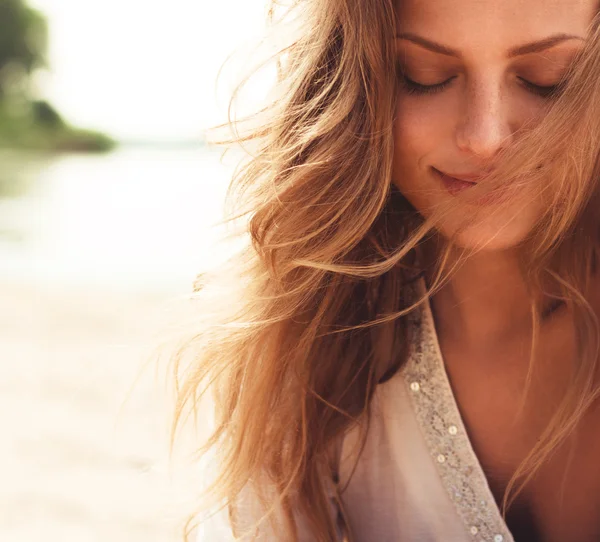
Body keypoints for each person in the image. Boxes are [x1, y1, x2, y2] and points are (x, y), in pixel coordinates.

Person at [170, 0, 600, 540]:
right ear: (358, 84)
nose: (484, 136)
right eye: (425, 77)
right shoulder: (301, 351)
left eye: (548, 80)